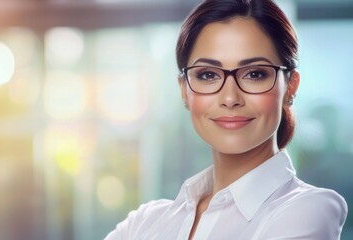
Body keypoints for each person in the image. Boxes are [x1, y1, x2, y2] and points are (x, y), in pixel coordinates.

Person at [105, 0, 348, 239]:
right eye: (208, 74)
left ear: (290, 87)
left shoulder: (308, 210)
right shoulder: (145, 222)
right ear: (184, 90)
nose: (230, 98)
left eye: (254, 74)